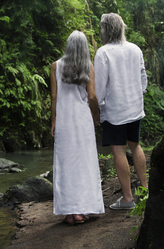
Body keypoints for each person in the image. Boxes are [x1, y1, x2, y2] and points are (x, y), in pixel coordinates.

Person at [94, 13, 148, 210]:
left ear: (106, 29)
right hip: (134, 107)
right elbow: (143, 78)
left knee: (118, 150)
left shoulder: (103, 52)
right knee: (136, 146)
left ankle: (127, 199)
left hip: (115, 110)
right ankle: (145, 189)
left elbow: (99, 87)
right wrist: (136, 95)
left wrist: (97, 109)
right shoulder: (135, 49)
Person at [50, 30, 105, 225]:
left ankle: (69, 212)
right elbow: (91, 97)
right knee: (84, 164)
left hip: (64, 120)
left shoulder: (55, 66)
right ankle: (81, 211)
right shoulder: (88, 67)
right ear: (83, 48)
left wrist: (53, 120)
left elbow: (54, 98)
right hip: (82, 121)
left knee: (65, 165)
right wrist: (96, 116)